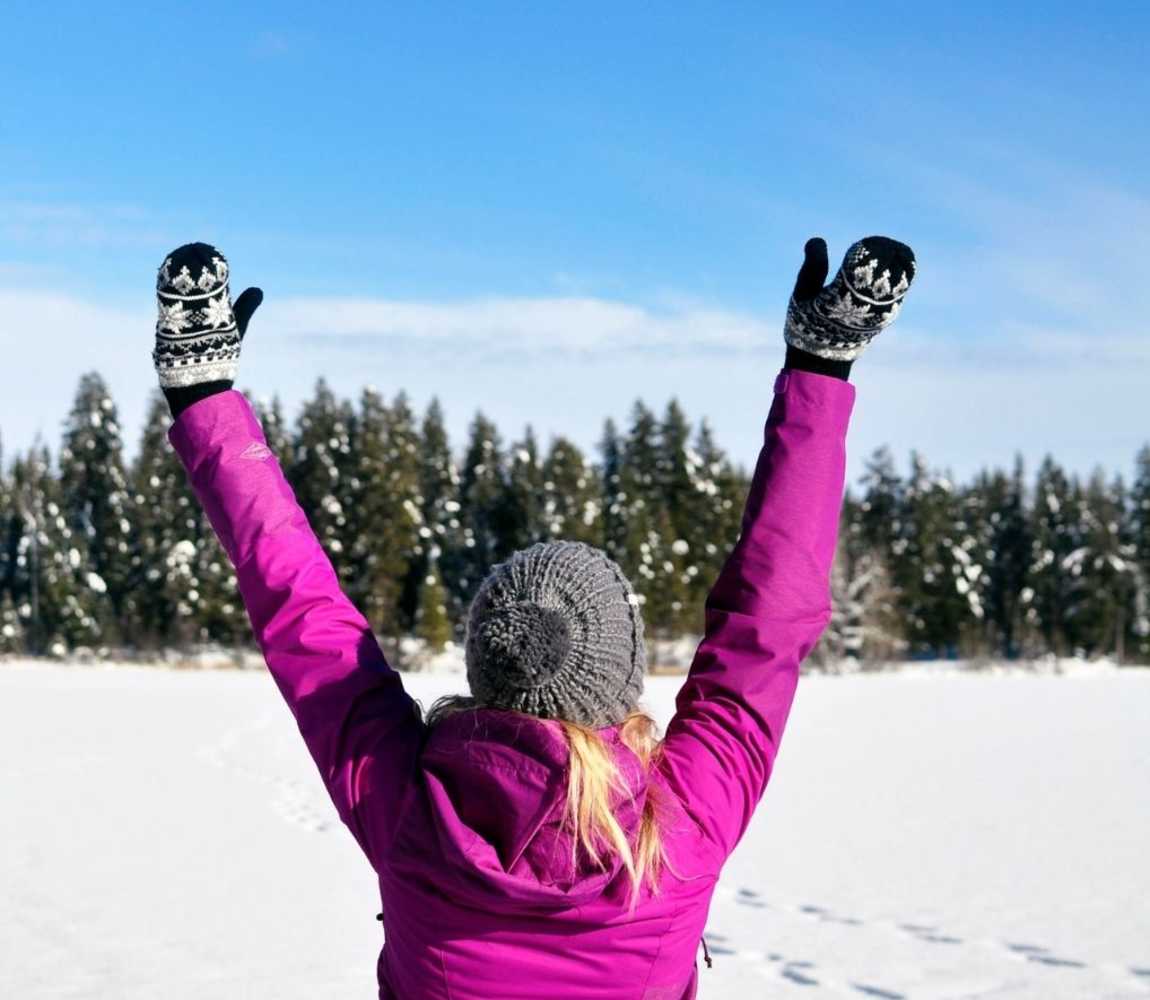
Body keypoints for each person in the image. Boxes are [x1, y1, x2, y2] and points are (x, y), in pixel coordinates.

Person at [154, 234, 915, 999]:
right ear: (622, 671)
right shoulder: (681, 826)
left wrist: (205, 399)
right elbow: (768, 621)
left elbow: (306, 618)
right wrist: (819, 368)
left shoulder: (415, 812)